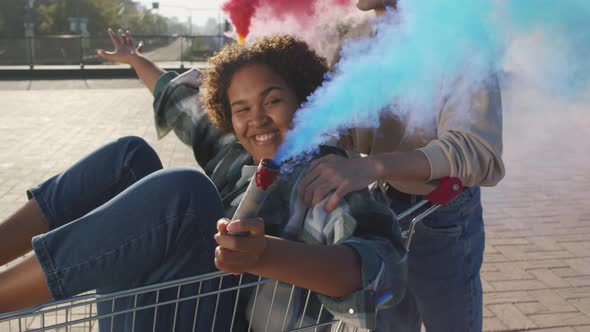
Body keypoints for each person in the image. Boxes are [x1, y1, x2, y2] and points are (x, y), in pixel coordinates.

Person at [0, 34, 406, 331]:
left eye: (273, 100)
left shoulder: (325, 177)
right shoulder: (238, 155)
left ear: (305, 98)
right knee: (130, 155)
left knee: (185, 193)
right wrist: (136, 60)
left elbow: (379, 272)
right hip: (172, 308)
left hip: (223, 320)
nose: (257, 120)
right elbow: (176, 100)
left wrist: (266, 255)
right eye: (241, 109)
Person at [296, 1, 505, 331]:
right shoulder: (356, 37)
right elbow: (343, 125)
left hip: (441, 213)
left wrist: (375, 166)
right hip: (382, 208)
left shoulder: (459, 38)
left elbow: (478, 149)